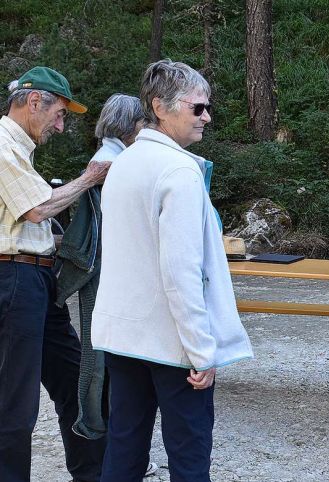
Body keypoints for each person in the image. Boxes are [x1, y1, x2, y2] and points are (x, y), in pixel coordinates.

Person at [92, 59, 254, 481]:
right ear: (160, 107)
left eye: (207, 107)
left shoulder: (122, 164)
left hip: (123, 336)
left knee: (124, 449)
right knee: (189, 452)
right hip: (170, 341)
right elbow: (182, 271)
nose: (207, 116)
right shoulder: (179, 169)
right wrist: (203, 349)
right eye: (197, 107)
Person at [0, 66, 110, 482]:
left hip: (35, 280)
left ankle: (94, 473)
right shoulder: (3, 146)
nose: (61, 126)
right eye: (60, 114)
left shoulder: (18, 152)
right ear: (33, 102)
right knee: (16, 402)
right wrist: (90, 178)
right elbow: (37, 208)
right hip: (15, 280)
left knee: (74, 381)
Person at [53, 93, 156, 475]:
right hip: (114, 272)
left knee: (105, 362)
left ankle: (114, 454)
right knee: (109, 363)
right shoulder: (118, 162)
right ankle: (112, 453)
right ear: (132, 126)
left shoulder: (104, 156)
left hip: (104, 270)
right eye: (143, 123)